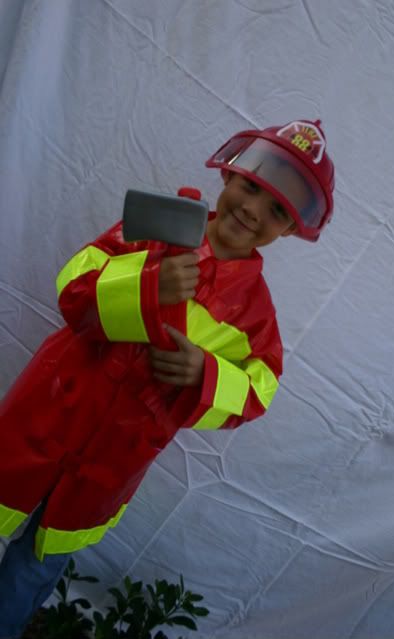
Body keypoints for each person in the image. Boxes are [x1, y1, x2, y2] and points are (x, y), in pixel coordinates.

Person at [0, 119, 334, 636]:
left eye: (277, 210)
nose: (253, 210)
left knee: (36, 566)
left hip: (114, 458)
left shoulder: (256, 316)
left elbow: (258, 390)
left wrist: (206, 375)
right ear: (229, 175)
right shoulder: (152, 232)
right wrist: (147, 286)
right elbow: (73, 284)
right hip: (47, 410)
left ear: (290, 229)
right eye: (252, 186)